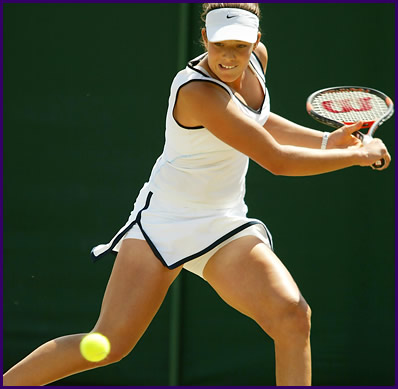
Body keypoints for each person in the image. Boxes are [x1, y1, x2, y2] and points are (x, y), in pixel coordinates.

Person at [3, 3, 390, 387]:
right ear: (204, 37)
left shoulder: (257, 61)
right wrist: (355, 154)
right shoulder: (197, 93)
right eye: (220, 44)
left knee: (292, 315)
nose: (229, 55)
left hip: (223, 225)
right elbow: (275, 160)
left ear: (256, 40)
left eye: (239, 45)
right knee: (106, 346)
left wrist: (326, 140)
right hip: (163, 224)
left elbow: (256, 121)